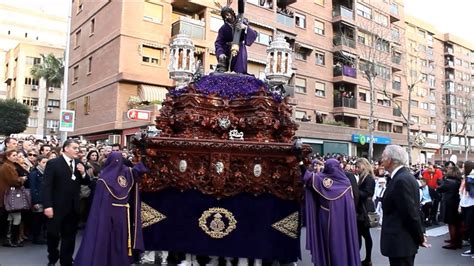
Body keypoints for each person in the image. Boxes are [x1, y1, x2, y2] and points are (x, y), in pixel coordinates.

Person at [74, 151, 148, 266]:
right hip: (123, 214)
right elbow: (140, 169)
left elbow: (99, 204)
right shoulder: (127, 173)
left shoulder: (103, 178)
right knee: (120, 238)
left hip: (107, 214)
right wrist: (144, 156)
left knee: (106, 238)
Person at [302, 158, 361, 266]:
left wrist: (301, 163)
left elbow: (308, 177)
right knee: (337, 246)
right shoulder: (345, 182)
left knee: (331, 246)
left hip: (328, 220)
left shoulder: (331, 181)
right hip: (340, 222)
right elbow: (309, 178)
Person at [42, 140, 90, 266]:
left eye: (78, 148)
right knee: (53, 235)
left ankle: (66, 260)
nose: (77, 150)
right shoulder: (53, 163)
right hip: (56, 207)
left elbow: (86, 182)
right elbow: (47, 186)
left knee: (69, 237)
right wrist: (47, 205)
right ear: (66, 148)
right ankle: (53, 256)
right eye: (75, 148)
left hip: (73, 207)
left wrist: (83, 173)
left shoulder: (79, 163)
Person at [380, 145, 428, 266]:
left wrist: (420, 236)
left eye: (383, 157)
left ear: (390, 160)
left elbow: (411, 213)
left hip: (401, 242)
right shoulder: (401, 177)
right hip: (401, 242)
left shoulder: (401, 180)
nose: (381, 160)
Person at [214, 2, 257, 73]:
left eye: (228, 14)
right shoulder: (223, 29)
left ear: (232, 13)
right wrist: (220, 53)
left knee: (239, 70)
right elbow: (218, 43)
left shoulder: (242, 21)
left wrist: (245, 27)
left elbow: (254, 34)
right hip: (227, 51)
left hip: (240, 50)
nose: (227, 17)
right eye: (225, 16)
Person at [0, 149, 27, 247]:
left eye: (16, 155)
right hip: (10, 195)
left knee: (11, 217)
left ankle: (10, 239)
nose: (16, 156)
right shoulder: (8, 167)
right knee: (15, 217)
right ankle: (12, 239)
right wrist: (22, 179)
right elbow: (14, 181)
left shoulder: (9, 166)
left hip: (9, 195)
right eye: (14, 155)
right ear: (8, 156)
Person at [355, 158, 376, 266]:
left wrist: (355, 190)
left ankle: (367, 259)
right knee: (362, 234)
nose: (356, 169)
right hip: (361, 209)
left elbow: (368, 193)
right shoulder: (362, 178)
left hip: (364, 210)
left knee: (365, 235)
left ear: (363, 166)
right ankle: (364, 258)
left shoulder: (368, 179)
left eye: (358, 167)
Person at [437, 161, 462, 249]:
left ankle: (453, 242)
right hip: (456, 203)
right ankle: (457, 241)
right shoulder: (459, 180)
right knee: (457, 223)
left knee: (451, 224)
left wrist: (441, 182)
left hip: (449, 204)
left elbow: (439, 189)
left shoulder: (448, 181)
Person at [29, 155, 49, 244]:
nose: (45, 164)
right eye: (44, 162)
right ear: (39, 162)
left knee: (43, 219)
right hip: (38, 199)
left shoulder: (47, 172)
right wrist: (35, 202)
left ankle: (42, 236)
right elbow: (33, 188)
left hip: (45, 198)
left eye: (47, 163)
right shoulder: (34, 173)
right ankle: (36, 237)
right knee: (37, 219)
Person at [459, 161, 474, 257]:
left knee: (472, 229)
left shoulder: (471, 178)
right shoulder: (466, 178)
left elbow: (471, 194)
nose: (462, 169)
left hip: (471, 206)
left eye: (464, 167)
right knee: (469, 228)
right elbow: (462, 194)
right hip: (465, 205)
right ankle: (472, 249)